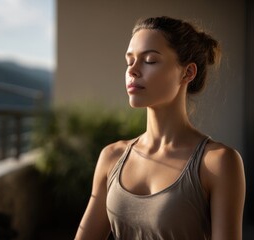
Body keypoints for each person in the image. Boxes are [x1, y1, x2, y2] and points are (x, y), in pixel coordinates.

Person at [75, 16, 245, 240]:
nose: (132, 71)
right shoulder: (112, 157)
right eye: (129, 61)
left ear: (188, 73)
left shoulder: (218, 162)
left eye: (150, 61)